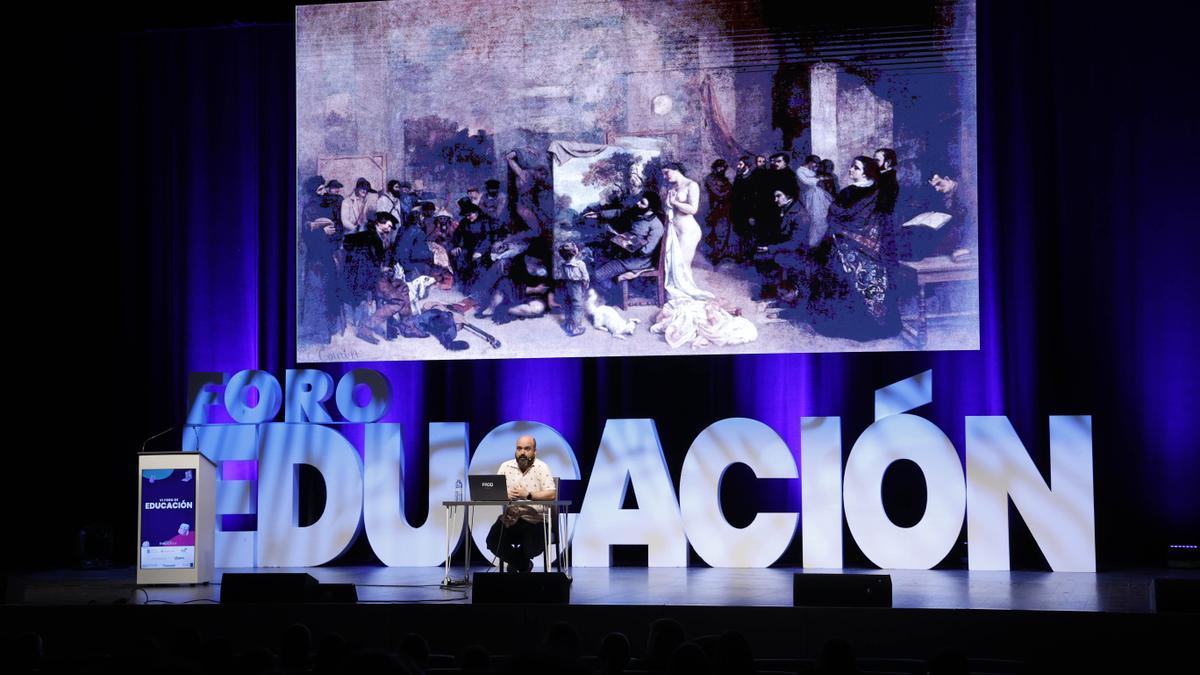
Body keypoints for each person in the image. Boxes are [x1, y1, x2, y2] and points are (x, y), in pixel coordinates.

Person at [809, 156, 900, 340]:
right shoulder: (848, 191)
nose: (850, 170)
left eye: (855, 168)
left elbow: (879, 219)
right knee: (833, 268)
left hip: (870, 245)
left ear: (866, 172)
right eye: (851, 167)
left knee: (865, 273)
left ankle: (869, 322)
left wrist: (852, 231)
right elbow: (833, 215)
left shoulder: (879, 192)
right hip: (843, 241)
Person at [485, 435, 557, 573]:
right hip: (511, 520)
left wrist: (528, 495)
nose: (522, 452)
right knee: (492, 541)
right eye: (519, 448)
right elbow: (493, 491)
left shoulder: (542, 467)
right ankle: (523, 565)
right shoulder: (505, 466)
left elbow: (551, 494)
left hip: (536, 520)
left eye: (527, 449)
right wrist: (505, 495)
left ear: (534, 451)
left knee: (531, 546)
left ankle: (517, 564)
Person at [584, 191, 665, 305]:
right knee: (594, 259)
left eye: (642, 203)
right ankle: (614, 292)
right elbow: (619, 212)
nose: (638, 203)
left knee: (597, 275)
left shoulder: (656, 226)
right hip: (622, 252)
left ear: (650, 208)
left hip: (635, 262)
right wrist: (598, 214)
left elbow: (646, 251)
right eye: (639, 200)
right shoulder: (638, 212)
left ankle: (615, 297)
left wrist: (621, 239)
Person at [661, 162, 713, 301]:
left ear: (676, 170)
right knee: (674, 264)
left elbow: (693, 209)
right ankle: (678, 292)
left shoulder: (691, 185)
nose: (665, 177)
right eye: (663, 174)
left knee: (682, 265)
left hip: (688, 231)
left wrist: (674, 203)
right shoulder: (672, 187)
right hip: (675, 231)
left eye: (667, 173)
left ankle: (686, 294)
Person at [703, 159, 733, 262]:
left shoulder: (724, 179)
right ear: (715, 167)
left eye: (723, 168)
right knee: (717, 233)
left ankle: (719, 254)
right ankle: (715, 255)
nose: (721, 169)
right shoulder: (710, 179)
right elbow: (719, 194)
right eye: (719, 167)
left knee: (724, 232)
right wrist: (730, 192)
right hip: (716, 210)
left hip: (725, 210)